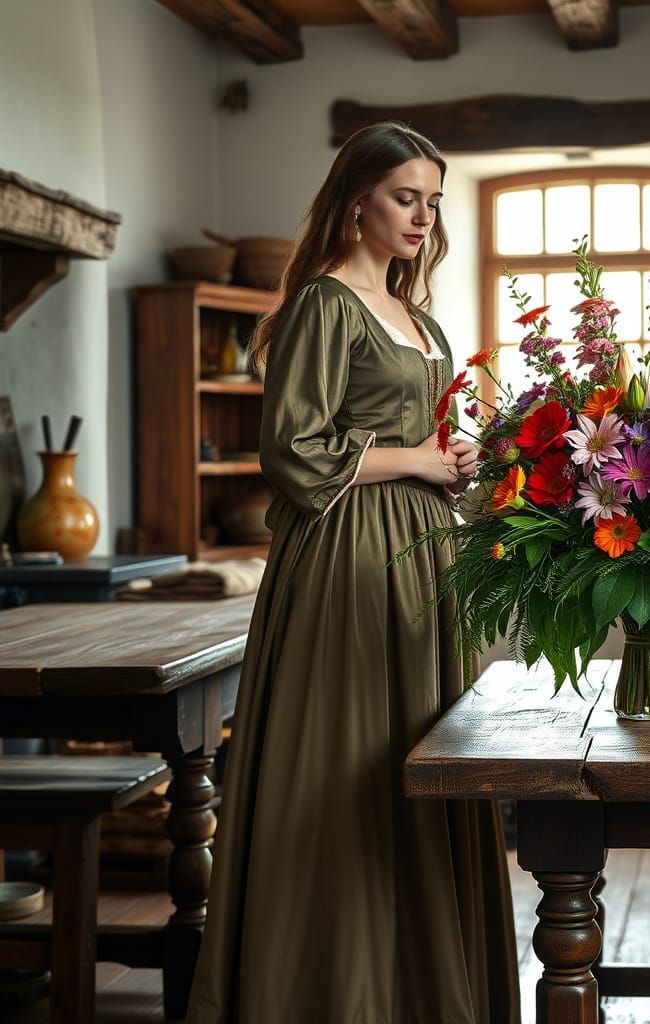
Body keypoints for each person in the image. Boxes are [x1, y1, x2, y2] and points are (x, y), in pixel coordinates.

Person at [186, 122, 521, 1024]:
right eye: (405, 197)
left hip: (419, 557)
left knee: (423, 756)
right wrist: (416, 459)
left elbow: (420, 437)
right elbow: (293, 451)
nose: (423, 216)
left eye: (433, 201)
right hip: (344, 560)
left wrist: (455, 459)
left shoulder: (420, 317)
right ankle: (333, 991)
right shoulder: (323, 304)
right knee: (345, 764)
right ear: (356, 198)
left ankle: (423, 986)